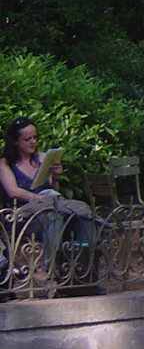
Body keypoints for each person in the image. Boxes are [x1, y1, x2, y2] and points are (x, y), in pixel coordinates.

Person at [1, 117, 97, 277]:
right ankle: (53, 273)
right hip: (22, 216)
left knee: (84, 217)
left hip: (51, 206)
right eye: (27, 139)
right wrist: (38, 198)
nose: (33, 142)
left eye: (35, 137)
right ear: (16, 141)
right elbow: (13, 191)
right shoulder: (5, 163)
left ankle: (85, 273)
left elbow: (53, 189)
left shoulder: (42, 158)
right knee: (53, 218)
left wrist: (56, 176)